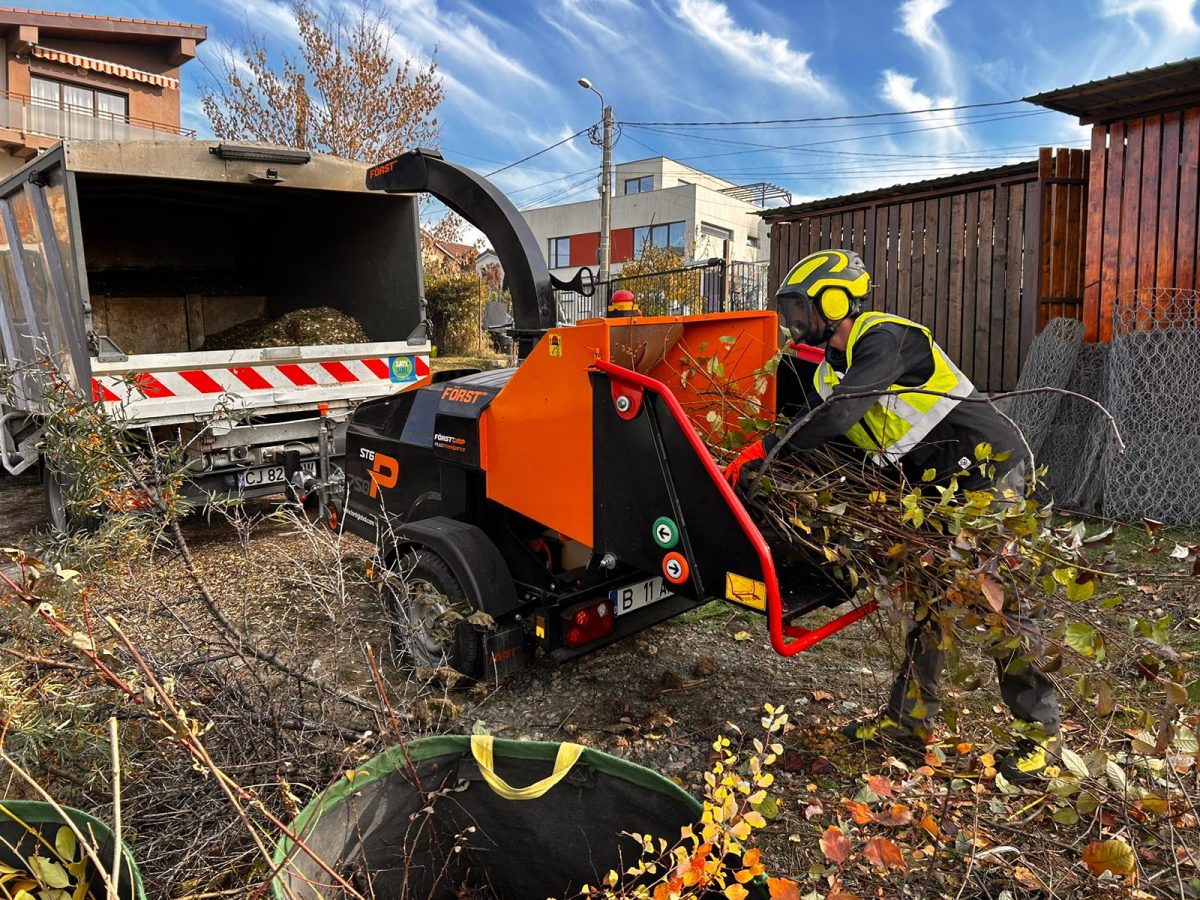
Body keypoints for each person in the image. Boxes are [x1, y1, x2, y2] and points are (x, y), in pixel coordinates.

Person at [725, 248, 1060, 781]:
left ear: (836, 301)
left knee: (1001, 606)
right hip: (933, 492)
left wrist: (766, 452)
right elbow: (837, 434)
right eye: (790, 310)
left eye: (801, 307)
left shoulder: (887, 338)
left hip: (986, 475)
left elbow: (841, 414)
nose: (795, 320)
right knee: (929, 605)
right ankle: (907, 727)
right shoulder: (828, 374)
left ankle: (1041, 738)